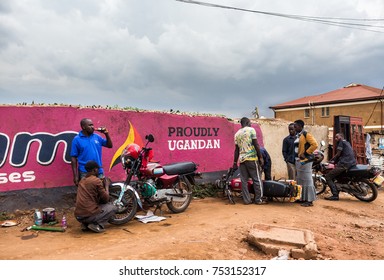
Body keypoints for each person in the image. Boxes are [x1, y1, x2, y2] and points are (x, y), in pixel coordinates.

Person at [74, 160, 117, 233]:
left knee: (92, 205)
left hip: (78, 216)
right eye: (98, 169)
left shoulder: (82, 181)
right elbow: (106, 199)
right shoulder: (96, 181)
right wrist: (106, 186)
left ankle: (85, 224)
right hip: (89, 215)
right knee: (113, 208)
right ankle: (96, 225)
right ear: (95, 170)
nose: (98, 171)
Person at [233, 117, 266, 205]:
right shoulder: (251, 130)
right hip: (251, 158)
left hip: (242, 160)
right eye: (250, 122)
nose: (251, 123)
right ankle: (259, 199)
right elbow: (256, 144)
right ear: (247, 122)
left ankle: (247, 200)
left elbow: (236, 150)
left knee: (244, 180)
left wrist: (235, 162)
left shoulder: (237, 134)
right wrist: (260, 157)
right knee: (257, 179)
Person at [70, 118, 113, 187]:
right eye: (90, 125)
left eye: (92, 125)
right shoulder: (77, 139)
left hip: (98, 171)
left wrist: (106, 134)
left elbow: (110, 145)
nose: (92, 127)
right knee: (87, 193)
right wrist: (75, 176)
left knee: (100, 192)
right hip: (84, 172)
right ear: (83, 127)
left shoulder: (97, 137)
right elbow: (73, 158)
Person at [324, 133, 357, 201]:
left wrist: (331, 160)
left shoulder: (341, 143)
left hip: (344, 163)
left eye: (337, 137)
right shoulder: (347, 142)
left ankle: (335, 195)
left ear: (341, 137)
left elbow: (338, 154)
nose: (336, 139)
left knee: (328, 176)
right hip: (352, 163)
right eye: (335, 137)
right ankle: (338, 188)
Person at [293, 119, 318, 207]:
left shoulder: (306, 134)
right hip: (299, 161)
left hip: (305, 161)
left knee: (307, 180)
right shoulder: (298, 135)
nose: (294, 127)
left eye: (295, 126)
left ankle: (310, 200)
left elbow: (314, 144)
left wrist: (306, 153)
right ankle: (302, 198)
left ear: (300, 126)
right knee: (300, 180)